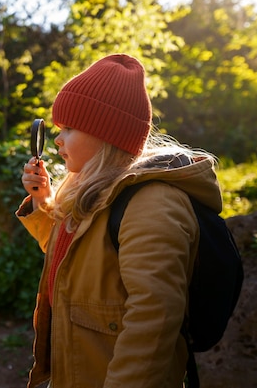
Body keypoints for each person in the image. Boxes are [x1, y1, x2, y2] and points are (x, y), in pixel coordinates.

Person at [17, 53, 222, 388]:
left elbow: (152, 324)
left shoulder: (152, 205)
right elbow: (74, 262)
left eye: (69, 128)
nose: (57, 140)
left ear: (105, 134)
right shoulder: (91, 192)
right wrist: (43, 201)